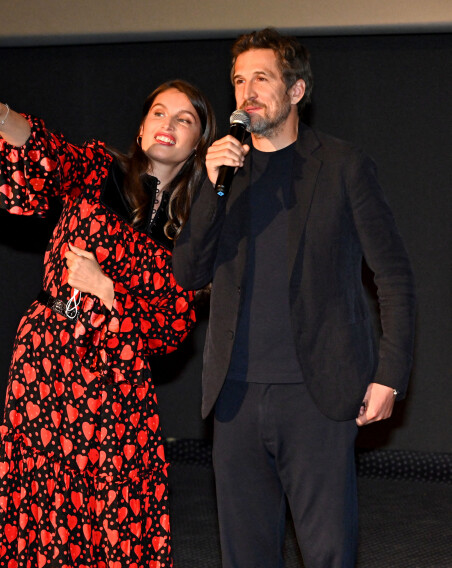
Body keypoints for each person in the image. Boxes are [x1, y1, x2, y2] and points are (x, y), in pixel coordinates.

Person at [0, 79, 216, 568]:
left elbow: (169, 327)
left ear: (199, 143)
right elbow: (45, 151)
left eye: (184, 119)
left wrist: (105, 288)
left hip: (119, 378)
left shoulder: (195, 231)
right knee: (44, 504)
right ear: (141, 127)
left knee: (118, 506)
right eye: (159, 113)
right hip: (47, 361)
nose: (168, 125)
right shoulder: (97, 169)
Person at [172, 28, 415, 568]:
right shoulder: (221, 172)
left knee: (328, 553)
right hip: (233, 397)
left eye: (261, 78)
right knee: (246, 556)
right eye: (238, 80)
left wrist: (389, 374)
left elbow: (393, 276)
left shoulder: (344, 165)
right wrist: (211, 187)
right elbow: (187, 274)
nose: (246, 92)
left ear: (297, 90)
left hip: (317, 395)